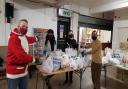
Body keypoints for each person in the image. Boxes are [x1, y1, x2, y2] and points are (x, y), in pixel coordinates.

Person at [6, 19, 38, 89]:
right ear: (18, 27)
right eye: (23, 26)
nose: (25, 28)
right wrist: (33, 59)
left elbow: (29, 39)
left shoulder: (24, 36)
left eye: (26, 27)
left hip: (24, 70)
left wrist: (36, 38)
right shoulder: (13, 38)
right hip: (14, 72)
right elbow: (21, 55)